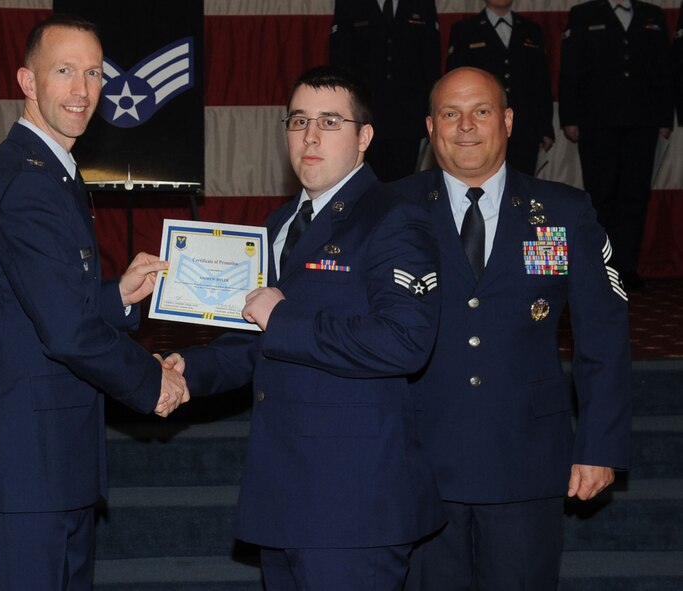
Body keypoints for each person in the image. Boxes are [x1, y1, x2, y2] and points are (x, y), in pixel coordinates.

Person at [164, 65, 444, 590]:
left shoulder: (393, 219)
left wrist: (283, 316)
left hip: (353, 507)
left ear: (364, 138)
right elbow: (260, 342)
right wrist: (190, 370)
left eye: (330, 122)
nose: (310, 136)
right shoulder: (279, 225)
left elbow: (405, 342)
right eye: (298, 121)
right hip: (285, 496)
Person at [0, 15, 188, 590]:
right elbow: (66, 334)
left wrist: (117, 296)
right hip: (24, 470)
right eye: (64, 72)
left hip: (50, 463)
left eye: (93, 74)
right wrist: (151, 382)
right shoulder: (30, 179)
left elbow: (43, 307)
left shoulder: (53, 170)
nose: (82, 91)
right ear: (28, 83)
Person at [390, 67, 632, 591]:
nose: (466, 126)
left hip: (527, 457)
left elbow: (604, 336)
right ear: (431, 127)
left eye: (481, 111)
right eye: (450, 114)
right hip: (420, 458)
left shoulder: (565, 212)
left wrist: (599, 445)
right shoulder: (392, 210)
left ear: (508, 120)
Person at [559, 0, 674, 290]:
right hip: (597, 123)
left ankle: (628, 268)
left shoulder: (652, 15)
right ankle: (602, 267)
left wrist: (664, 117)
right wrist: (569, 117)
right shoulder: (584, 14)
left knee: (634, 197)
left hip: (642, 122)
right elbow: (571, 67)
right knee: (601, 197)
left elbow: (664, 68)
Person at [330, 0, 441, 181]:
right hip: (366, 117)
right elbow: (341, 64)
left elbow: (431, 64)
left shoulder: (422, 3)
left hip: (409, 120)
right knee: (365, 186)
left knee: (405, 186)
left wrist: (434, 111)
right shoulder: (349, 3)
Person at [446, 0, 554, 176]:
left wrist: (545, 128)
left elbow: (541, 82)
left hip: (525, 127)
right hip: (481, 127)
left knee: (522, 186)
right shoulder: (465, 30)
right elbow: (453, 85)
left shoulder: (531, 30)